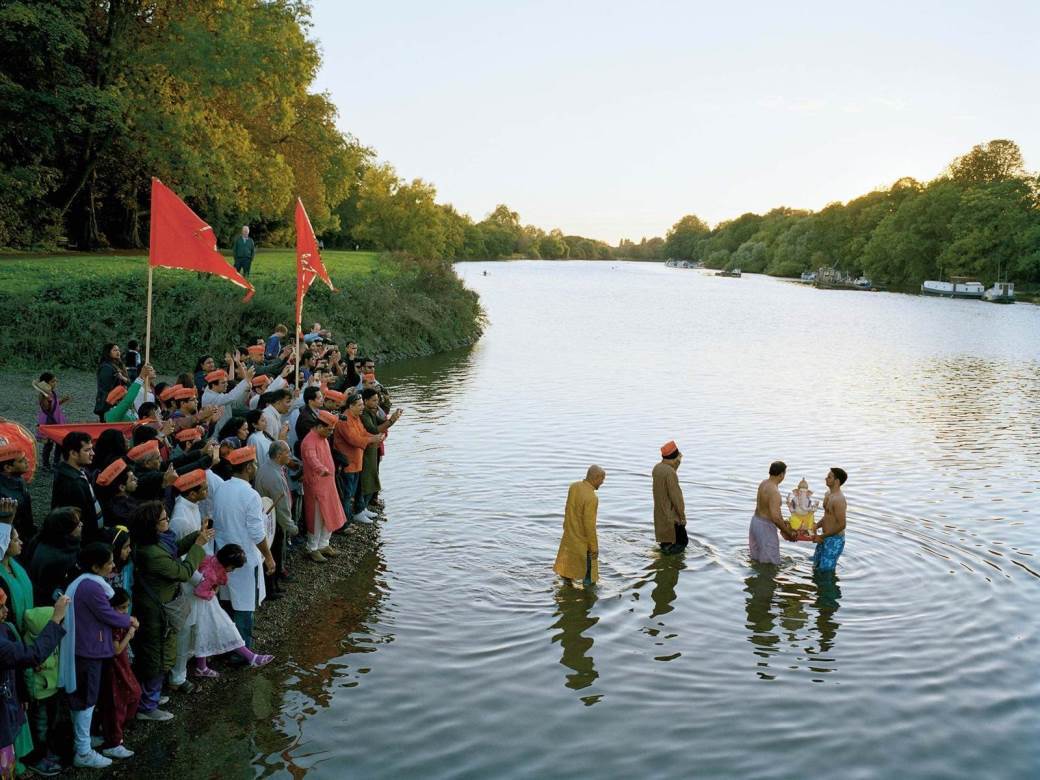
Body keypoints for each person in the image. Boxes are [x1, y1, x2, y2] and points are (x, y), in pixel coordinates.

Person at [131, 501, 213, 722]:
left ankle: (151, 698)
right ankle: (147, 706)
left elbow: (176, 547)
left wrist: (198, 535)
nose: (168, 521)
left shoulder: (157, 543)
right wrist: (198, 546)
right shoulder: (152, 554)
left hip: (159, 608)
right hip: (156, 612)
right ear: (151, 525)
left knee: (161, 652)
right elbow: (183, 571)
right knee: (156, 657)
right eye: (163, 519)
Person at [59, 543, 136, 768]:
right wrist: (129, 621)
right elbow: (108, 614)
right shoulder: (92, 588)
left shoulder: (81, 583)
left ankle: (81, 742)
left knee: (82, 698)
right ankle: (83, 751)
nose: (113, 565)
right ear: (95, 566)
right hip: (88, 650)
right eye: (109, 563)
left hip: (83, 647)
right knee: (86, 700)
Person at [0, 591, 68, 780]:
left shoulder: (4, 629)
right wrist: (56, 618)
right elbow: (33, 655)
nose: (7, 611)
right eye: (1, 607)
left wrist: (21, 695)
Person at [211, 447, 274, 649]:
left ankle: (228, 646)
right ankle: (243, 649)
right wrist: (269, 557)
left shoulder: (221, 488)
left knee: (228, 602)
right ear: (248, 467)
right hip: (244, 558)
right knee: (245, 606)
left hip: (223, 555)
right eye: (254, 464)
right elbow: (256, 533)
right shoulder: (251, 495)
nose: (256, 467)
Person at [189, 544, 273, 677]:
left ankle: (202, 666)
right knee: (226, 629)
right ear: (227, 564)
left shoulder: (212, 560)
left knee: (203, 634)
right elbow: (200, 591)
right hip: (204, 605)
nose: (232, 571)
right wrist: (212, 592)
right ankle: (251, 657)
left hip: (205, 605)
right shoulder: (210, 573)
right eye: (232, 568)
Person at [98, 588, 140, 762]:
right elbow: (116, 649)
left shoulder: (117, 622)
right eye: (122, 608)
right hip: (115, 666)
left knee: (131, 695)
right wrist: (129, 634)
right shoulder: (115, 625)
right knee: (118, 703)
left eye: (127, 607)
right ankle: (113, 742)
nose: (125, 612)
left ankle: (110, 733)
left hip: (120, 666)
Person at [300, 412, 347, 563]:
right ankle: (312, 548)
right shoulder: (309, 441)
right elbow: (311, 459)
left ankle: (324, 544)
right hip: (316, 485)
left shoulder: (323, 437)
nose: (330, 433)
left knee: (330, 514)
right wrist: (322, 469)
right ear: (320, 426)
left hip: (328, 483)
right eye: (329, 430)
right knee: (317, 518)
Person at [333, 393, 382, 524]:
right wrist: (372, 439)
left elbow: (363, 432)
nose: (362, 407)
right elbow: (353, 439)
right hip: (348, 463)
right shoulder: (345, 420)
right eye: (359, 405)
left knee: (353, 490)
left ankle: (358, 512)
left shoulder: (355, 417)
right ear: (351, 406)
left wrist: (374, 436)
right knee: (347, 494)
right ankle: (346, 522)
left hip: (357, 461)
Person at [553, 466, 606, 586]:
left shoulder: (574, 487)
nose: (602, 482)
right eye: (602, 479)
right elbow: (589, 526)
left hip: (569, 535)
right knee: (589, 578)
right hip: (583, 542)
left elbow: (568, 509)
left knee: (567, 570)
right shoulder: (592, 498)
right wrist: (594, 548)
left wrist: (566, 527)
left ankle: (567, 587)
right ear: (596, 477)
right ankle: (588, 599)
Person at [254, 441, 295, 592]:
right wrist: (290, 526)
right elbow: (281, 506)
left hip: (268, 518)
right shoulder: (274, 476)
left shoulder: (266, 467)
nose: (290, 455)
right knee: (275, 552)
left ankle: (273, 585)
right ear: (279, 455)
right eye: (287, 453)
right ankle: (271, 587)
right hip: (274, 521)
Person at [26, 508, 82, 607]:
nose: (81, 524)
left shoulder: (40, 540)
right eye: (77, 524)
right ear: (66, 530)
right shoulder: (60, 559)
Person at [52, 431, 103, 537]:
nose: (93, 453)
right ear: (73, 453)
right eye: (87, 450)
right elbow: (75, 520)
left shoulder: (80, 472)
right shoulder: (71, 484)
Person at [749, 461, 793, 565]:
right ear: (782, 474)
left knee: (756, 558)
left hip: (755, 522)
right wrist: (788, 532)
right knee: (770, 563)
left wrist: (783, 522)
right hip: (765, 527)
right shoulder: (774, 492)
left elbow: (772, 511)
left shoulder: (763, 483)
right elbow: (775, 518)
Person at [652, 441, 688, 555]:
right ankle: (671, 566)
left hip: (660, 517)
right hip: (672, 519)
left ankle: (664, 564)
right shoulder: (670, 473)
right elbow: (676, 497)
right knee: (682, 543)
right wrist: (682, 517)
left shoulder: (657, 468)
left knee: (665, 545)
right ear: (675, 458)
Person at [813, 468, 848, 572]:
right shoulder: (828, 494)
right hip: (824, 537)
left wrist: (821, 536)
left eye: (829, 477)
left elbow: (842, 525)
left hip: (834, 540)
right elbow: (828, 516)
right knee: (816, 566)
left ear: (837, 481)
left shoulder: (839, 500)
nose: (826, 478)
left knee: (826, 572)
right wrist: (816, 526)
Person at [33, 373, 69, 470]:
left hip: (56, 419)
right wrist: (47, 400)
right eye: (53, 381)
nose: (55, 383)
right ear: (46, 383)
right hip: (49, 421)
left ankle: (56, 462)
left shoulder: (52, 392)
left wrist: (62, 400)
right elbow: (46, 408)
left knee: (59, 442)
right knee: (48, 444)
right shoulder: (43, 395)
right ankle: (45, 464)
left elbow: (55, 404)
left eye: (55, 381)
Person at [0, 448, 34, 543]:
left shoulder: (17, 479)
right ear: (8, 468)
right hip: (15, 539)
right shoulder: (3, 495)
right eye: (21, 461)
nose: (27, 460)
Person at [93, 343, 129, 422]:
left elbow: (128, 382)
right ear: (108, 352)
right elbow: (105, 387)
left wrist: (123, 379)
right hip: (109, 402)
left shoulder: (118, 365)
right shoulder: (106, 367)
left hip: (119, 399)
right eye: (115, 350)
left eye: (118, 350)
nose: (118, 352)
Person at [786, 478, 820, 542]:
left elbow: (810, 510)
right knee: (794, 518)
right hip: (796, 516)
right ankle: (795, 530)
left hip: (806, 516)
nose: (802, 493)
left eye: (804, 492)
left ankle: (808, 530)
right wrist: (789, 505)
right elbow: (792, 511)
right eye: (801, 492)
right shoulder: (794, 499)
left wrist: (815, 507)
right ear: (797, 492)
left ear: (807, 493)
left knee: (811, 516)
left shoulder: (808, 500)